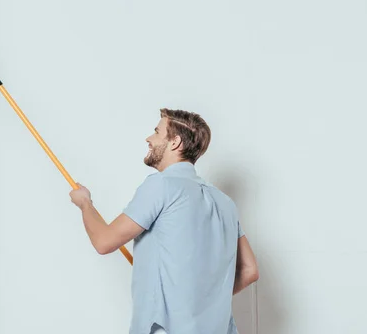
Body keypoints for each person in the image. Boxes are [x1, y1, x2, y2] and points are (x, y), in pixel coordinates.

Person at [69, 108, 259, 334]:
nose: (149, 138)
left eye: (157, 132)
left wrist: (85, 204)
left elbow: (104, 241)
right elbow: (249, 271)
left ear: (175, 142)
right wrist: (206, 301)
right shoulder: (225, 203)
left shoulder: (161, 186)